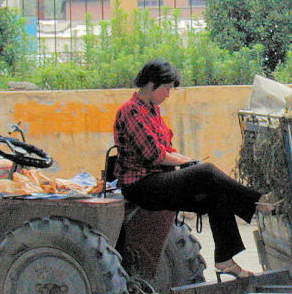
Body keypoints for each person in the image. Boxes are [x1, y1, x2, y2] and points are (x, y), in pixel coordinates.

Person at [113, 58, 272, 279]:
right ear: (151, 84)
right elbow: (155, 155)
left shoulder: (152, 111)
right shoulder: (131, 111)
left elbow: (167, 150)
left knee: (217, 194)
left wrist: (189, 162)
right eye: (166, 88)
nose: (168, 94)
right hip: (141, 186)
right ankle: (257, 202)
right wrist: (192, 165)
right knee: (206, 172)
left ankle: (225, 260)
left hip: (158, 180)